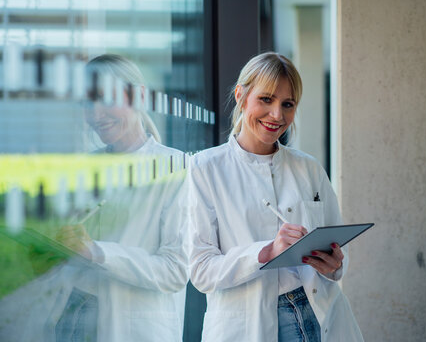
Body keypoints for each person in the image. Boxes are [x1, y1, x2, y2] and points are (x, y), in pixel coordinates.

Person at [0, 54, 188, 342]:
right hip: (71, 319)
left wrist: (97, 251)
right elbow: (69, 247)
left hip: (130, 328)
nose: (95, 114)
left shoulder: (178, 169)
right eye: (87, 103)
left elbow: (175, 271)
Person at [187, 52, 364, 341]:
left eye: (287, 104)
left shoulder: (308, 168)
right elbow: (201, 270)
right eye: (266, 99)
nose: (277, 115)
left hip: (316, 313)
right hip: (248, 323)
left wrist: (335, 266)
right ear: (241, 96)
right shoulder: (205, 168)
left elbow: (338, 248)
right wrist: (267, 251)